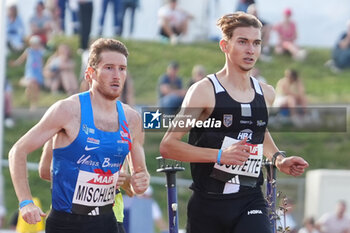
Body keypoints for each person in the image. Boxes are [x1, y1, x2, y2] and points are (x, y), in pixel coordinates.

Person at [159, 12, 309, 233]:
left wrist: (278, 159)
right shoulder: (204, 91)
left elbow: (259, 130)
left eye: (256, 43)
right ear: (224, 45)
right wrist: (220, 155)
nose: (251, 50)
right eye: (243, 42)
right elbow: (168, 146)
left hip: (250, 199)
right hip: (208, 203)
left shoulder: (266, 93)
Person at [8, 38, 150, 233]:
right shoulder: (67, 111)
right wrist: (26, 202)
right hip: (67, 223)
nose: (117, 75)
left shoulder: (133, 119)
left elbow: (136, 185)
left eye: (122, 69)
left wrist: (137, 182)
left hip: (108, 221)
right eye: (109, 68)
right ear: (90, 73)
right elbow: (18, 151)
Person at [10, 35, 45, 111]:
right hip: (31, 72)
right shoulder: (29, 51)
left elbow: (41, 62)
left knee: (35, 88)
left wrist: (43, 70)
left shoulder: (40, 52)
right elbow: (21, 59)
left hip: (37, 72)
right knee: (31, 84)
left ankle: (33, 103)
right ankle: (31, 101)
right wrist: (15, 63)